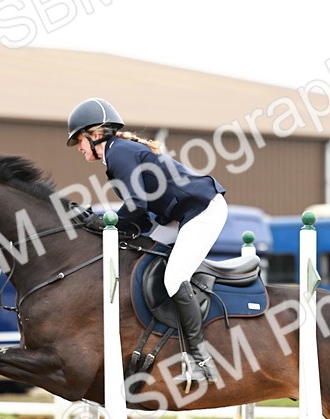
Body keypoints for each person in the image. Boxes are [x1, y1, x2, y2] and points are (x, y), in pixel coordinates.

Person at [66, 97, 226, 388]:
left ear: (96, 134)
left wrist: (102, 221)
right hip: (177, 216)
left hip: (203, 210)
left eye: (79, 139)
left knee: (174, 278)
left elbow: (136, 207)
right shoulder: (117, 155)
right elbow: (140, 220)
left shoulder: (119, 153)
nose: (78, 147)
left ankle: (201, 361)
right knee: (141, 256)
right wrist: (98, 220)